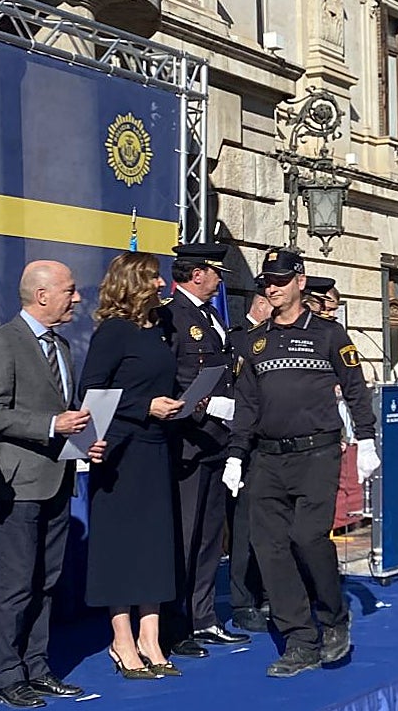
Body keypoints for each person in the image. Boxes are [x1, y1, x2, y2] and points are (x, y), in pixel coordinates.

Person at [224, 249, 379, 677]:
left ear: (300, 281)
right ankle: (299, 638)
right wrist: (237, 454)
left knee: (309, 538)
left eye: (278, 280)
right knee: (269, 547)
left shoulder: (329, 335)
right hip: (267, 457)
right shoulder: (256, 341)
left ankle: (332, 617)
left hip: (316, 453)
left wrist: (365, 438)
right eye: (266, 282)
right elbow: (247, 404)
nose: (271, 288)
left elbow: (354, 387)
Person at [0, 260, 105, 707]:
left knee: (47, 581)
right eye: (69, 291)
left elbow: (67, 411)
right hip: (18, 483)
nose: (77, 298)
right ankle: (8, 674)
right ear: (42, 295)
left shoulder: (63, 346)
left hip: (58, 478)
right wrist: (52, 424)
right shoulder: (2, 344)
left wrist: (84, 442)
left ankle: (37, 665)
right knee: (14, 585)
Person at [78, 252, 185, 679]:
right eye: (154, 278)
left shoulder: (157, 330)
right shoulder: (114, 333)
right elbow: (92, 390)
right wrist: (145, 406)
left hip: (157, 447)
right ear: (133, 283)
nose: (162, 286)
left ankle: (151, 637)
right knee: (122, 547)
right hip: (121, 450)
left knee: (155, 545)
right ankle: (122, 639)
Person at [158, 244, 250, 657]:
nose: (219, 279)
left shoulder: (211, 315)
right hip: (189, 442)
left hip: (217, 439)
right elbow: (168, 375)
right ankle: (177, 624)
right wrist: (204, 406)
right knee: (185, 535)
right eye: (215, 271)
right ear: (197, 274)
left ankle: (205, 616)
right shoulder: (171, 314)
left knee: (211, 537)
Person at [225, 290, 273, 633]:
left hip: (273, 443)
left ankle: (270, 592)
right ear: (261, 304)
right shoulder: (240, 341)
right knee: (244, 530)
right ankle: (243, 601)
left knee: (271, 528)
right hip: (243, 442)